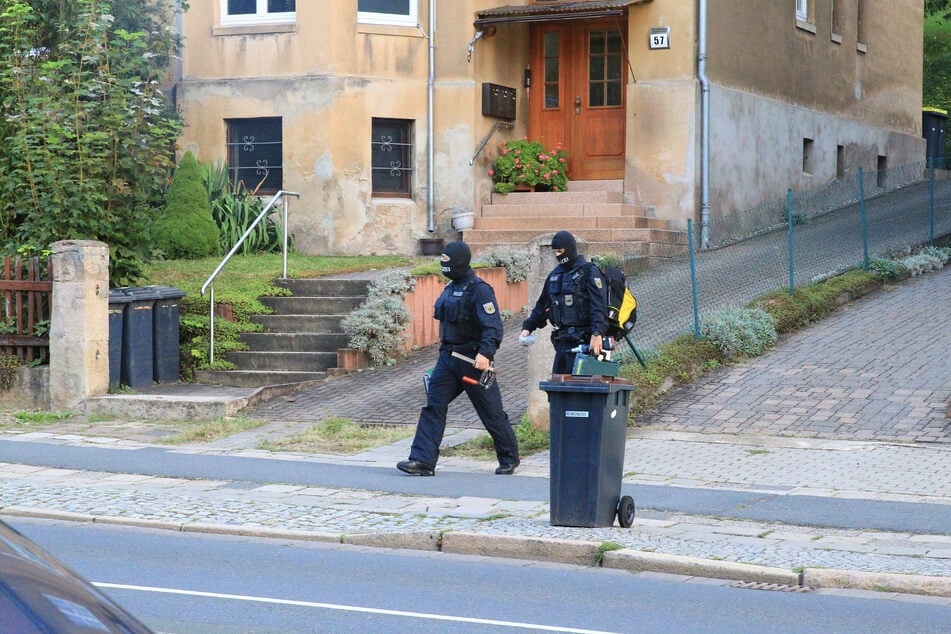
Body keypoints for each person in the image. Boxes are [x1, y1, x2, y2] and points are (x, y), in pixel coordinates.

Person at [397, 241, 520, 477]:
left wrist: (486, 354)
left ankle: (509, 458)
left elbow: (493, 326)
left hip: (472, 360)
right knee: (434, 405)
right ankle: (422, 460)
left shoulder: (479, 289)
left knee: (491, 413)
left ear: (458, 261)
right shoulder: (450, 287)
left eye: (446, 259)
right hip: (448, 359)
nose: (443, 263)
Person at [519, 230, 609, 374]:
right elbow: (542, 305)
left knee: (582, 389)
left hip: (585, 341)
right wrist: (528, 328)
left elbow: (599, 306)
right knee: (559, 388)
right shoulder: (555, 275)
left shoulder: (588, 271)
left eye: (560, 251)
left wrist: (597, 333)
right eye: (555, 252)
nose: (557, 255)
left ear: (570, 248)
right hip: (562, 341)